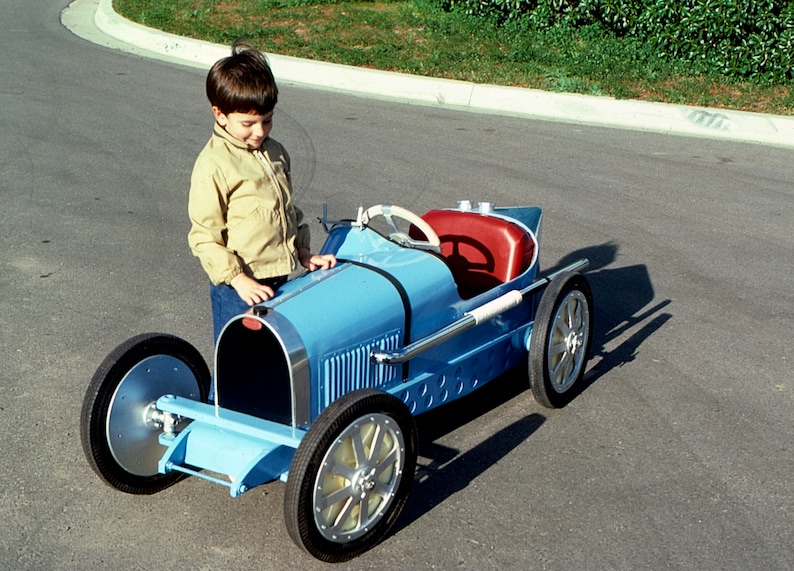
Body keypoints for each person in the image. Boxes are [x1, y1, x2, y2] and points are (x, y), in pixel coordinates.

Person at [188, 39, 336, 344]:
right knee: (238, 359)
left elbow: (286, 211)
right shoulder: (214, 164)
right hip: (238, 288)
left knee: (276, 357)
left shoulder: (276, 152)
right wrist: (238, 279)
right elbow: (204, 237)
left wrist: (304, 253)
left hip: (279, 277)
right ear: (220, 115)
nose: (259, 131)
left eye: (266, 120)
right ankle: (222, 394)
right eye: (248, 123)